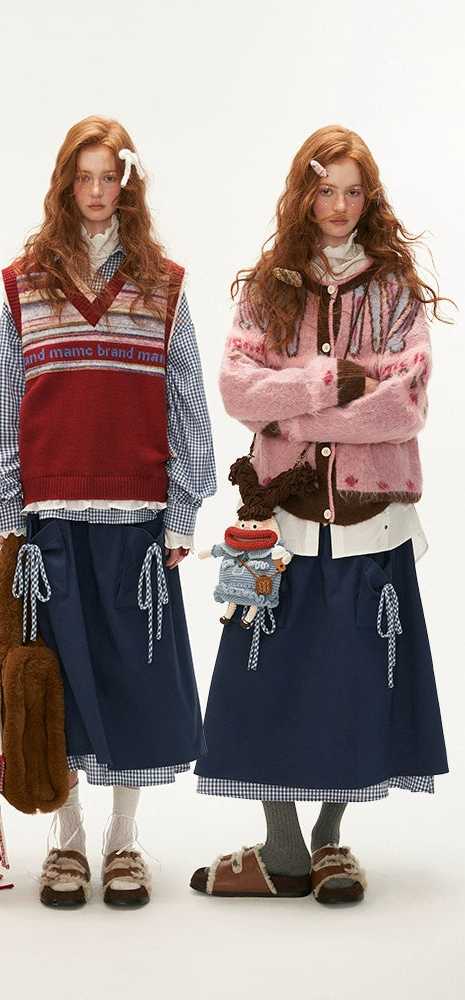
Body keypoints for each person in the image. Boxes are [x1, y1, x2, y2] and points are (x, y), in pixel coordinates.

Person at [191, 125, 449, 904]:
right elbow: (238, 391)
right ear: (304, 196)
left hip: (371, 524)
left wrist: (290, 411)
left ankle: (330, 843)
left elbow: (404, 406)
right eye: (325, 189)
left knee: (356, 683)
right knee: (260, 680)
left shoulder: (394, 290)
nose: (338, 205)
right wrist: (334, 383)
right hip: (275, 524)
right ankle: (283, 850)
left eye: (352, 190)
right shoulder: (266, 288)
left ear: (369, 198)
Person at [0, 115, 216, 908]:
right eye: (83, 177)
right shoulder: (25, 282)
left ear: (128, 185)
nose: (97, 191)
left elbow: (187, 400)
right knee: (55, 686)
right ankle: (68, 840)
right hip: (49, 522)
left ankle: (123, 841)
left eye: (110, 177)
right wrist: (4, 512)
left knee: (133, 683)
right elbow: (2, 401)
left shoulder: (164, 284)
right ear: (64, 184)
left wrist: (182, 511)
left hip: (137, 522)